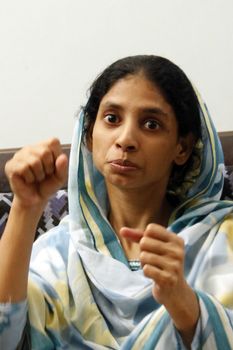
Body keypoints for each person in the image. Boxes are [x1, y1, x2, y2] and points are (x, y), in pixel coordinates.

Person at [0, 55, 233, 350]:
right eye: (112, 119)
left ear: (182, 148)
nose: (126, 139)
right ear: (88, 134)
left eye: (151, 124)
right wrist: (25, 207)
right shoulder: (59, 253)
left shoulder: (222, 238)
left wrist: (185, 305)